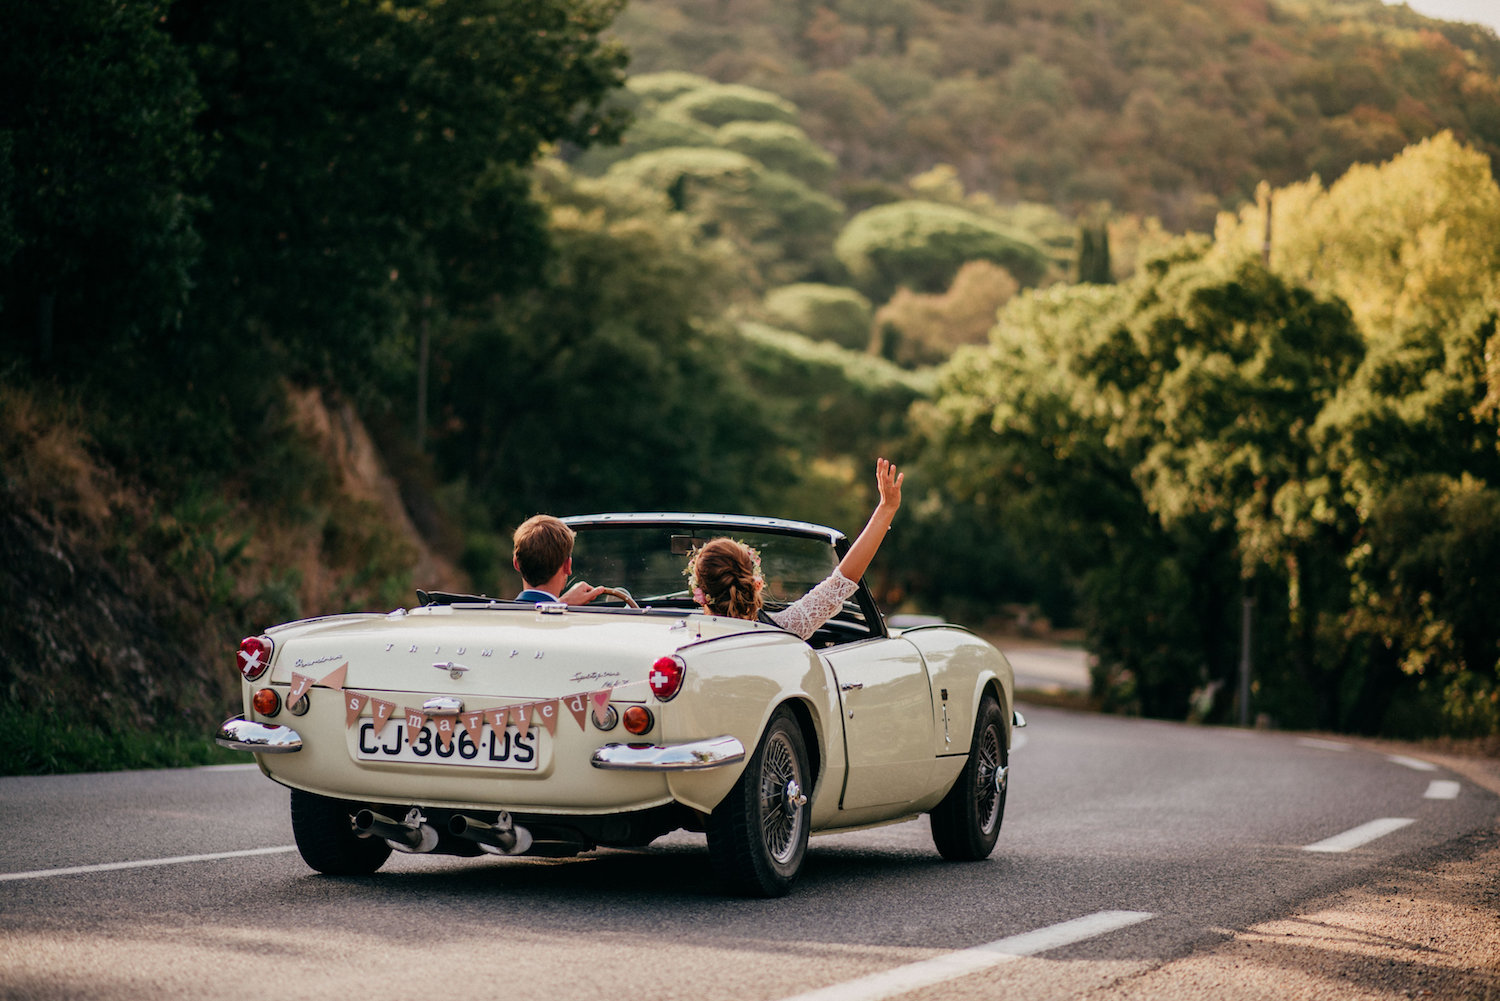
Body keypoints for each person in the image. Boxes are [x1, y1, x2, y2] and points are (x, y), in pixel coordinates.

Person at [687, 457, 903, 639]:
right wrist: (886, 509)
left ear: (700, 591)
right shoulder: (782, 631)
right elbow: (843, 581)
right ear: (754, 581)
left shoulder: (673, 638)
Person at [511, 514, 605, 605]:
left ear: (516, 563)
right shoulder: (568, 616)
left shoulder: (499, 615)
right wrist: (562, 603)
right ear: (567, 565)